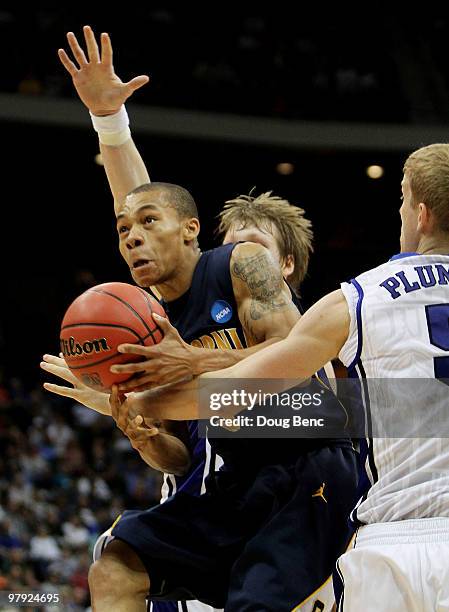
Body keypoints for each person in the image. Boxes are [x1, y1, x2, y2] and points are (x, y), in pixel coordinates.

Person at [42, 26, 358, 612]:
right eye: (123, 233)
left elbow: (302, 365)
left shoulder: (240, 266)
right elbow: (141, 203)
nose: (133, 237)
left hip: (302, 468)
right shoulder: (147, 317)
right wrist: (144, 431)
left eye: (146, 227)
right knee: (113, 567)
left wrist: (194, 361)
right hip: (226, 483)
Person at [130, 142, 449, 611]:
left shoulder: (352, 303)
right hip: (209, 522)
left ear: (420, 214)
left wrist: (135, 397)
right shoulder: (186, 308)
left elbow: (245, 393)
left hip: (379, 538)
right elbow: (146, 214)